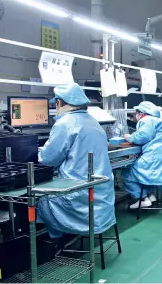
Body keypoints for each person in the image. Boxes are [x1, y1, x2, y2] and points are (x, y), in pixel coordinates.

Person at [37, 83, 116, 239]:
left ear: (59, 102)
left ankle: (57, 241)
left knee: (41, 200)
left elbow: (48, 159)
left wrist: (38, 153)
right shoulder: (93, 121)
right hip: (101, 192)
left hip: (79, 193)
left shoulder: (65, 124)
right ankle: (63, 237)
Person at [122, 101, 162, 209]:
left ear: (141, 113)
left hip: (154, 157)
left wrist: (129, 137)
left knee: (127, 172)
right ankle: (150, 196)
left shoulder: (146, 120)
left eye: (136, 114)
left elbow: (142, 137)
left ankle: (142, 199)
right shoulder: (157, 121)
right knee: (145, 174)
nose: (136, 116)